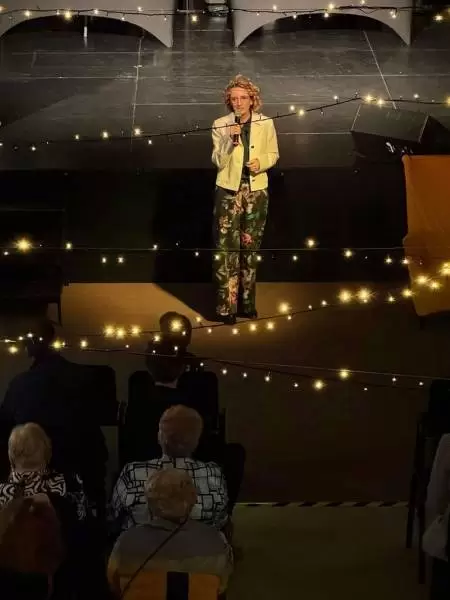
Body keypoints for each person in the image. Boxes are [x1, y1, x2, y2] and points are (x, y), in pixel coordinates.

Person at [0, 319, 108, 513]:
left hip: (33, 485)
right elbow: (93, 436)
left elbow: (4, 431)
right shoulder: (82, 377)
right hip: (77, 479)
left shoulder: (21, 385)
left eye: (27, 340)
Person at [211, 74, 279, 324]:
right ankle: (225, 308)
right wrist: (231, 140)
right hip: (228, 192)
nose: (238, 103)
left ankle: (247, 304)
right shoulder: (220, 124)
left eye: (243, 98)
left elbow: (274, 153)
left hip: (256, 191)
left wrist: (261, 163)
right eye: (234, 99)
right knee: (226, 251)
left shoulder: (266, 123)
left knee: (250, 250)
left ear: (252, 99)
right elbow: (218, 161)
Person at [107, 469, 232, 600]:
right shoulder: (216, 541)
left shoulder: (126, 541)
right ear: (193, 500)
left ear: (149, 502)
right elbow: (222, 587)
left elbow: (114, 585)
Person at [111, 405, 228, 535]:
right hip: (200, 546)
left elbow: (115, 516)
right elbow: (221, 521)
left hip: (142, 546)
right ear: (196, 441)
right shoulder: (213, 473)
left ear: (160, 437)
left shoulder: (132, 472)